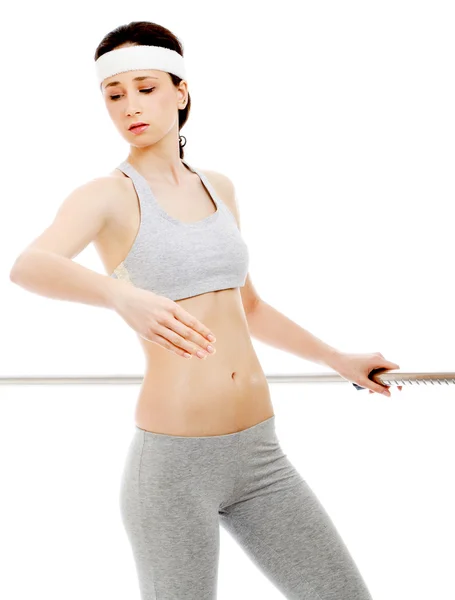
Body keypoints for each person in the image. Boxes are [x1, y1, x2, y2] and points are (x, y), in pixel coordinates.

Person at [10, 19, 402, 600]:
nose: (129, 106)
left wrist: (335, 358)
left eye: (145, 87)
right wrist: (120, 293)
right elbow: (28, 266)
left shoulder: (218, 186)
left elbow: (250, 305)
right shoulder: (106, 195)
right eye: (113, 95)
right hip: (173, 469)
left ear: (181, 91)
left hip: (260, 453)